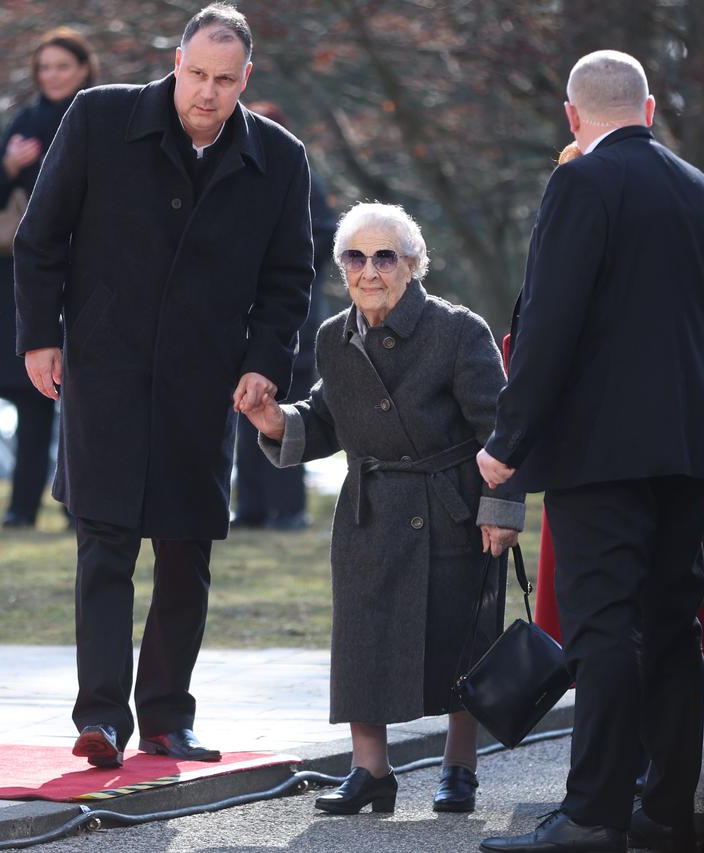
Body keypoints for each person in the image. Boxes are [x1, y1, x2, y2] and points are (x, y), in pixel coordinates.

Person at [14, 3, 314, 768]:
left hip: (203, 383)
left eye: (224, 79)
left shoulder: (280, 158)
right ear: (175, 62)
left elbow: (289, 281)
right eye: (197, 75)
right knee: (104, 542)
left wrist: (263, 363)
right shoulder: (97, 117)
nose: (207, 93)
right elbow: (40, 236)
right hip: (104, 369)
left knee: (186, 552)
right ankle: (101, 719)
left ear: (247, 78)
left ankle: (167, 718)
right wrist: (40, 337)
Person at [477, 51, 704, 853]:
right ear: (652, 107)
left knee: (602, 629)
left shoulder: (580, 184)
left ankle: (593, 811)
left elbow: (548, 327)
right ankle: (665, 812)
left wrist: (507, 443)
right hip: (689, 449)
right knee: (670, 630)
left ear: (572, 115)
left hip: (599, 455)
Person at [244, 202, 524, 814]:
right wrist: (275, 421)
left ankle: (459, 766)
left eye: (385, 257)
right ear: (342, 267)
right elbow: (324, 420)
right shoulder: (332, 337)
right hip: (370, 510)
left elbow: (500, 428)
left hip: (452, 508)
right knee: (362, 640)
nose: (369, 271)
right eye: (356, 257)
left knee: (460, 640)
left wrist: (501, 507)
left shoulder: (458, 330)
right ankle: (370, 771)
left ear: (413, 265)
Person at [0, 26, 97, 529]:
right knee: (32, 397)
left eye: (62, 66)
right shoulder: (26, 121)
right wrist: (7, 167)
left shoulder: (102, 116)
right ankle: (20, 505)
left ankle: (82, 504)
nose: (52, 76)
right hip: (32, 271)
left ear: (84, 69)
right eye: (45, 67)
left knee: (86, 397)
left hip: (91, 269)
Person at [230, 101, 335, 531]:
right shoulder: (237, 176)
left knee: (286, 409)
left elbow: (323, 237)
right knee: (245, 408)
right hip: (243, 318)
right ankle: (251, 507)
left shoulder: (300, 176)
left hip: (294, 319)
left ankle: (288, 507)